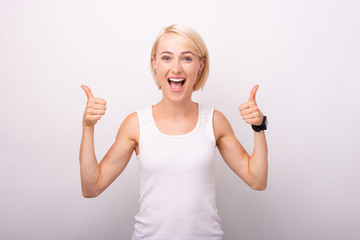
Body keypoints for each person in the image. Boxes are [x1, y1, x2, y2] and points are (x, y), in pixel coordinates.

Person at [79, 24, 268, 240]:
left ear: (200, 64)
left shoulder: (214, 121)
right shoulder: (136, 124)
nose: (176, 68)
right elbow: (91, 187)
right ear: (154, 63)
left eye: (186, 58)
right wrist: (88, 127)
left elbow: (257, 180)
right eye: (167, 58)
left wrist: (258, 126)